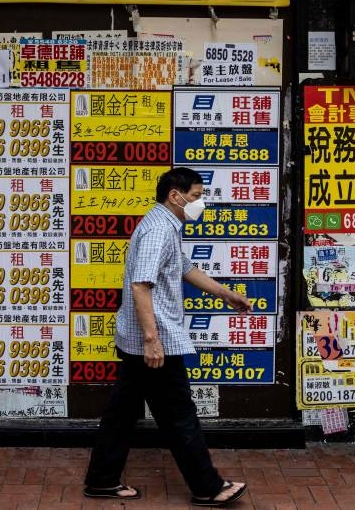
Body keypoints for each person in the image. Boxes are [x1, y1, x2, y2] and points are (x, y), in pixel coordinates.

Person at [83, 168, 251, 507]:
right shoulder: (159, 228)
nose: (200, 203)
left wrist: (225, 294)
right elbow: (141, 284)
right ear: (175, 196)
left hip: (143, 338)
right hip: (155, 339)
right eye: (196, 196)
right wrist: (151, 340)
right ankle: (207, 486)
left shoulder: (165, 225)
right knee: (178, 413)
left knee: (123, 412)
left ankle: (102, 480)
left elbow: (185, 268)